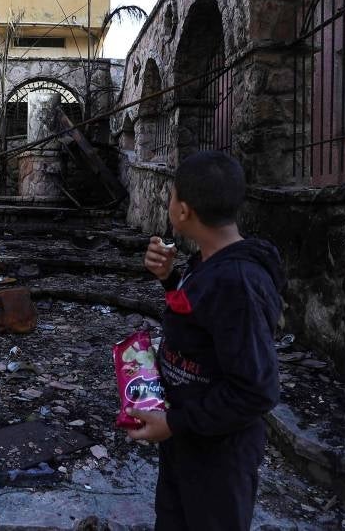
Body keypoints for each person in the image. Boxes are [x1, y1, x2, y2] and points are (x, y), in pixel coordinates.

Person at [127, 150, 285, 531]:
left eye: (172, 196)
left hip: (218, 457)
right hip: (189, 441)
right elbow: (199, 317)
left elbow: (256, 391)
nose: (169, 204)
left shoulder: (238, 284)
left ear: (183, 211)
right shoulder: (208, 264)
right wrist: (169, 278)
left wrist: (175, 422)